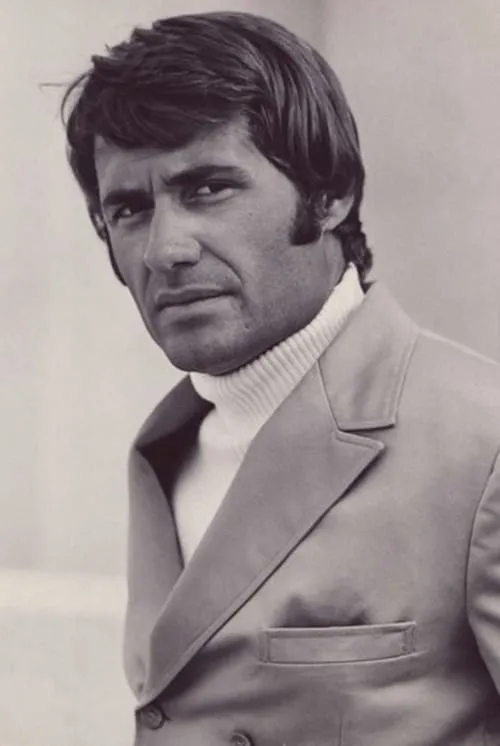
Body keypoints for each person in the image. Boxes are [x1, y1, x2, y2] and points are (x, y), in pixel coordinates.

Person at [62, 11, 500, 746]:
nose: (165, 249)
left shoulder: (481, 447)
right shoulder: (167, 446)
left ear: (330, 196)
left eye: (208, 188)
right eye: (130, 209)